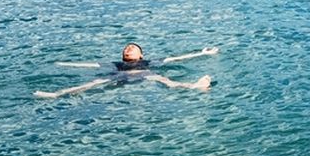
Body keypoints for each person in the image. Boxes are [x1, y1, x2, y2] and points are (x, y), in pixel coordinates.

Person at [33, 43, 217, 98]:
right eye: (126, 48)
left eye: (132, 47)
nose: (128, 48)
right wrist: (61, 64)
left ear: (141, 55)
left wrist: (202, 53)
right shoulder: (115, 65)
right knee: (93, 83)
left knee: (165, 80)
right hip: (119, 75)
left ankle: (194, 86)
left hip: (145, 74)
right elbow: (89, 65)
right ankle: (56, 94)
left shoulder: (149, 63)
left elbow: (176, 58)